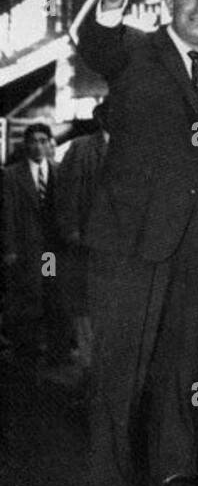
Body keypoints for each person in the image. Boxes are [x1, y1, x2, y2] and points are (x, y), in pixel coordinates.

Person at [75, 0, 198, 486]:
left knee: (185, 370)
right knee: (120, 370)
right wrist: (113, 1)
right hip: (128, 239)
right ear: (172, 3)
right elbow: (96, 45)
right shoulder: (134, 50)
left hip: (195, 244)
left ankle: (175, 477)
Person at [1, 123, 71, 366]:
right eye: (34, 141)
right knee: (28, 296)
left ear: (50, 143)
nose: (39, 146)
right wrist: (9, 248)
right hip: (26, 248)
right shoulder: (11, 175)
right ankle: (26, 350)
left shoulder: (58, 170)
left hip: (51, 252)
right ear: (26, 145)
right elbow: (7, 213)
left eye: (43, 140)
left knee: (52, 294)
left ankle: (56, 351)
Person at [54, 100, 110, 369]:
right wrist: (72, 230)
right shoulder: (81, 148)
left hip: (123, 247)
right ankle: (90, 372)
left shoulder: (136, 148)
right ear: (100, 118)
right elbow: (66, 193)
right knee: (86, 309)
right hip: (87, 244)